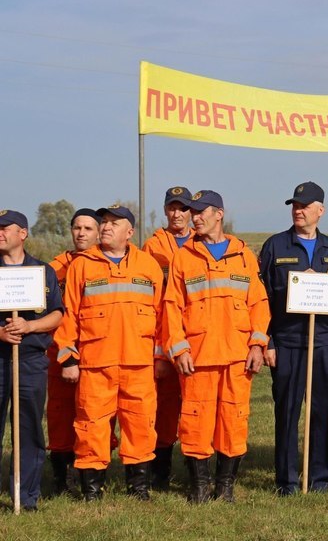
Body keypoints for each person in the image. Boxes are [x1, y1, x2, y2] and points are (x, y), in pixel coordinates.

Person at [163, 190, 270, 503]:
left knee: (234, 422)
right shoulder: (184, 257)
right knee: (195, 423)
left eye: (201, 212)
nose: (196, 218)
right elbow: (171, 306)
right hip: (198, 357)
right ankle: (199, 488)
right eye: (193, 213)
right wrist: (179, 349)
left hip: (238, 357)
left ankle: (225, 488)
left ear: (219, 214)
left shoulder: (243, 255)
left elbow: (259, 304)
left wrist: (258, 345)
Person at [54, 205, 162, 501]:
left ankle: (139, 487)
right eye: (104, 222)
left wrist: (161, 358)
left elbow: (163, 316)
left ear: (130, 232)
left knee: (140, 425)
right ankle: (92, 490)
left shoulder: (148, 266)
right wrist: (68, 358)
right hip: (95, 365)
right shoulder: (83, 265)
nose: (106, 227)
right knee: (92, 426)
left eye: (114, 223)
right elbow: (69, 316)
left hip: (138, 365)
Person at [259, 182, 328, 495]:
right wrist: (269, 342)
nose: (298, 210)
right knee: (287, 412)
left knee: (322, 411)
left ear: (320, 211)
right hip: (288, 341)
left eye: (304, 205)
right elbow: (261, 298)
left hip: (325, 340)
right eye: (294, 205)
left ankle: (319, 479)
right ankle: (287, 481)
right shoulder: (276, 246)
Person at [0, 210, 64, 511]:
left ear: (22, 233)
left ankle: (25, 496)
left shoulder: (43, 271)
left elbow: (57, 314)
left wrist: (29, 326)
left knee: (28, 428)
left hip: (30, 361)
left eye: (5, 228)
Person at [47, 208, 103, 495]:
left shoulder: (107, 266)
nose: (81, 233)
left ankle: (90, 475)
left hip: (97, 354)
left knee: (93, 418)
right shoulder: (55, 267)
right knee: (60, 416)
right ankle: (61, 478)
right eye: (77, 228)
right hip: (59, 354)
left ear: (99, 232)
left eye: (88, 229)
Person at [142, 186, 194, 490]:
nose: (177, 214)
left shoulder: (202, 243)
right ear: (165, 211)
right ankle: (160, 471)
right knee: (163, 406)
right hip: (164, 329)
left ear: (191, 212)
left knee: (194, 405)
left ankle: (193, 468)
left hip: (197, 333)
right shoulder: (153, 247)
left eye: (183, 208)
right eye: (172, 208)